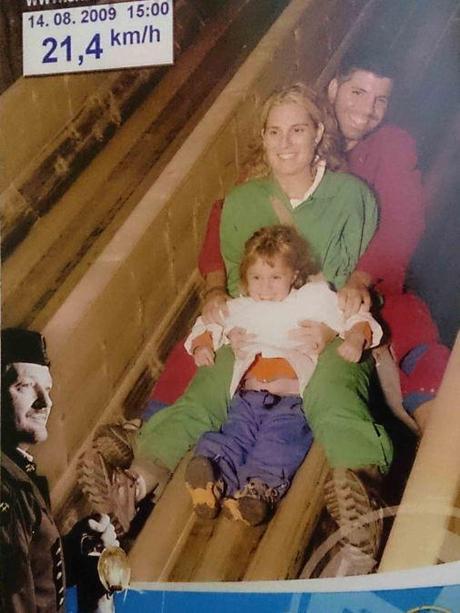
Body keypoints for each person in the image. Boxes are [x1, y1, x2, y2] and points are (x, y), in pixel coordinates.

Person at [80, 84, 392, 574]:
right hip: (256, 330)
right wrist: (218, 325)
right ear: (263, 139)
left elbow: (357, 278)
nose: (285, 143)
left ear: (319, 135)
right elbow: (231, 282)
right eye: (274, 132)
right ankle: (136, 485)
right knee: (207, 388)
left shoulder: (350, 197)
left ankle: (359, 498)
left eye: (297, 130)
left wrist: (342, 325)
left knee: (334, 393)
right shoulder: (243, 202)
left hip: (321, 328)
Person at [191, 45, 450, 434]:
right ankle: (154, 426)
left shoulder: (391, 146)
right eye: (357, 93)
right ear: (333, 89)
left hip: (363, 286)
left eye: (381, 99)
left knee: (409, 329)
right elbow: (225, 215)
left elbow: (402, 223)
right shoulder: (292, 139)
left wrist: (362, 278)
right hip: (288, 291)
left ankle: (439, 442)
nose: (366, 110)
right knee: (218, 326)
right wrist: (214, 287)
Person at [185, 225, 382, 526]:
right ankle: (210, 477)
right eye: (256, 278)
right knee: (233, 434)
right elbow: (207, 325)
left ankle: (258, 491)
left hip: (291, 401)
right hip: (247, 397)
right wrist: (202, 346)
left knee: (280, 441)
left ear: (294, 274)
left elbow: (355, 316)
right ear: (245, 279)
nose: (264, 287)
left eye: (275, 277)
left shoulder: (312, 300)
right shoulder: (241, 307)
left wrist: (355, 337)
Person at [0, 328, 121, 612]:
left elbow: (30, 568)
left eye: (48, 388)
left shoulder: (16, 472)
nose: (46, 402)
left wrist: (77, 549)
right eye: (26, 386)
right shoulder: (5, 488)